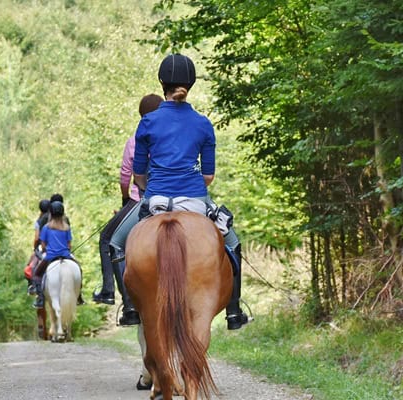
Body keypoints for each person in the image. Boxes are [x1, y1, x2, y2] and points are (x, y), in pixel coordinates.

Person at [110, 53, 249, 330]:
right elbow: (208, 176)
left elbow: (138, 175)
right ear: (191, 84)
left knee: (115, 243)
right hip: (196, 199)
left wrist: (151, 188)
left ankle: (130, 307)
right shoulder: (202, 124)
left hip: (156, 198)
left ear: (162, 83)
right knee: (232, 245)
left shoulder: (147, 122)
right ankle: (234, 310)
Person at [93, 94, 164, 326]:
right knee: (223, 233)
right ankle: (232, 306)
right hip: (180, 196)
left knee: (108, 240)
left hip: (142, 200)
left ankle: (119, 298)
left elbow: (127, 176)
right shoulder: (171, 136)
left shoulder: (136, 139)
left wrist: (126, 198)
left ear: (141, 115)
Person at [32, 200, 83, 309]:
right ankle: (79, 296)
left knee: (36, 274)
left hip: (50, 256)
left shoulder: (46, 228)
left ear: (51, 213)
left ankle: (40, 298)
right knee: (79, 269)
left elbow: (43, 245)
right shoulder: (66, 227)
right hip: (66, 255)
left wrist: (49, 249)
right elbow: (69, 245)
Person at [24, 199, 50, 295]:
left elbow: (36, 238)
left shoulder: (39, 221)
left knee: (31, 267)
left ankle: (33, 286)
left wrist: (35, 248)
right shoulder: (57, 219)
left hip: (43, 247)